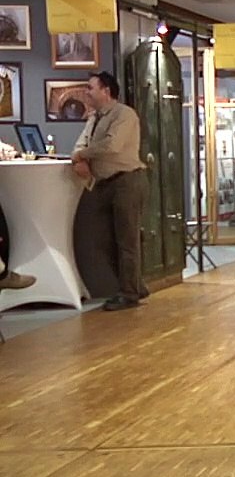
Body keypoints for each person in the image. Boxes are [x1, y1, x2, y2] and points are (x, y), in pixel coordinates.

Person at [71, 72, 147, 311]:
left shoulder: (124, 115)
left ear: (106, 91)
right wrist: (80, 156)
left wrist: (83, 155)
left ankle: (129, 293)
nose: (87, 92)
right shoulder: (94, 118)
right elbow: (81, 143)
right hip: (103, 184)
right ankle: (133, 284)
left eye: (91, 87)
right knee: (104, 238)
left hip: (126, 181)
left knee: (127, 239)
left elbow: (112, 146)